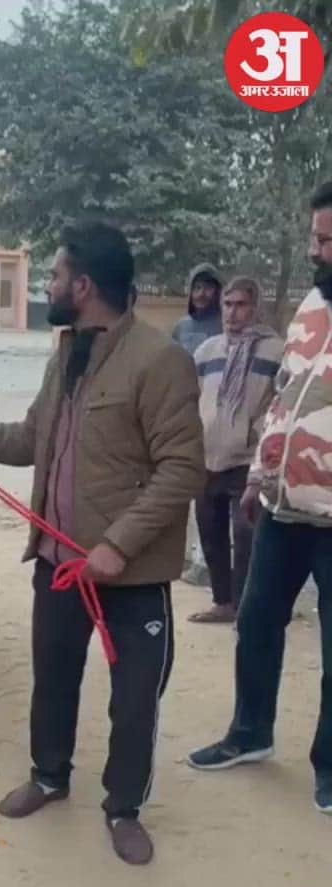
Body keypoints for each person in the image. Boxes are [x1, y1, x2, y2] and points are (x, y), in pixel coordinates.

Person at [0, 221, 205, 865]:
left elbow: (183, 469)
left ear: (82, 286)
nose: (46, 285)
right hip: (58, 566)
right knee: (52, 680)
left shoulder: (160, 361)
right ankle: (49, 777)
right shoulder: (65, 357)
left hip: (129, 578)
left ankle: (124, 807)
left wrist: (117, 546)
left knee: (134, 702)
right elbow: (31, 439)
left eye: (53, 275)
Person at [188, 181, 332, 814]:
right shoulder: (312, 307)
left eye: (325, 240)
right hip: (282, 507)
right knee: (254, 622)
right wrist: (257, 476)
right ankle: (250, 733)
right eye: (314, 237)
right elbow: (283, 401)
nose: (314, 250)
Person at [188, 277, 283, 624]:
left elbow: (281, 405)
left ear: (255, 308)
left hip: (248, 459)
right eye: (227, 305)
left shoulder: (277, 352)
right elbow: (193, 400)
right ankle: (222, 603)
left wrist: (261, 446)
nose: (232, 313)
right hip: (208, 456)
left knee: (245, 535)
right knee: (210, 532)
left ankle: (245, 608)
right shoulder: (207, 351)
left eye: (241, 304)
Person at [171, 263, 224, 356]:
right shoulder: (180, 327)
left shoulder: (226, 326)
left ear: (218, 291)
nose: (201, 294)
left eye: (208, 288)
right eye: (197, 288)